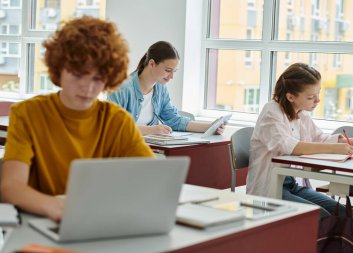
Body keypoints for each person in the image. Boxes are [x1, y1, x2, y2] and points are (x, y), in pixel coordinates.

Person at [0, 16, 154, 222]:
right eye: (78, 75)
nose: (88, 88)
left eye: (98, 79)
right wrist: (55, 207)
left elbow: (153, 177)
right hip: (42, 222)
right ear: (58, 69)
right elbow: (10, 187)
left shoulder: (118, 120)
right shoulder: (27, 113)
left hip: (99, 221)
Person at [246, 62, 353, 217]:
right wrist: (335, 149)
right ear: (291, 96)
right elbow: (291, 146)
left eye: (318, 93)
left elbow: (319, 137)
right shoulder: (271, 113)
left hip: (292, 184)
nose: (317, 100)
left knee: (342, 212)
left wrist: (351, 142)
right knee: (320, 217)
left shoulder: (301, 113)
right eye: (311, 97)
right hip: (272, 187)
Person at [107, 41, 225, 136]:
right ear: (152, 64)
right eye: (168, 70)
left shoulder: (160, 89)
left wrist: (210, 127)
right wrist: (151, 130)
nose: (171, 77)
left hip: (148, 150)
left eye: (174, 71)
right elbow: (113, 127)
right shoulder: (122, 88)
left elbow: (174, 120)